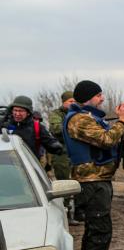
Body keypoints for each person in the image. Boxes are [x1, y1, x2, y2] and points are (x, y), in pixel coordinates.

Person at [62, 80, 124, 250]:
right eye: (99, 95)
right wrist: (122, 121)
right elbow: (105, 139)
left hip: (98, 180)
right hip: (91, 183)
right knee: (99, 230)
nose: (102, 98)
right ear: (88, 97)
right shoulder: (79, 120)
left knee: (98, 230)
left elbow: (108, 141)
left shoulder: (89, 118)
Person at [48, 91, 80, 223]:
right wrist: (72, 126)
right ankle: (65, 213)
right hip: (61, 153)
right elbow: (56, 129)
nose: (72, 104)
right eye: (70, 101)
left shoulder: (79, 114)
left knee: (79, 181)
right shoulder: (56, 114)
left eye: (74, 101)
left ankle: (79, 211)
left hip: (77, 152)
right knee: (64, 183)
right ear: (63, 102)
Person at [0, 95, 64, 160]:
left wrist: (55, 145)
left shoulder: (37, 127)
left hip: (29, 164)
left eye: (21, 111)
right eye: (15, 110)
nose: (17, 113)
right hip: (6, 163)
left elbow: (48, 140)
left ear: (28, 112)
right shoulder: (4, 125)